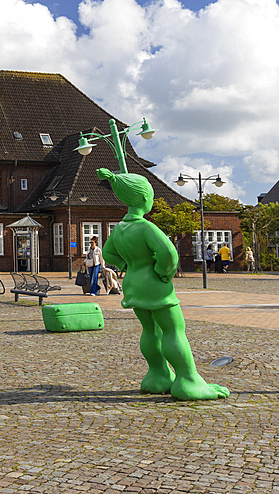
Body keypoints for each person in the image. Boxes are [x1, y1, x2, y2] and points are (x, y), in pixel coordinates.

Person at [96, 168, 229, 401]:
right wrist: (163, 273)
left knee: (150, 330)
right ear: (145, 198)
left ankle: (157, 376)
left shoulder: (119, 229)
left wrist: (128, 263)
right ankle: (188, 381)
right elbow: (169, 254)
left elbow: (109, 253)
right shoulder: (145, 227)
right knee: (174, 330)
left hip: (133, 284)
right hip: (154, 284)